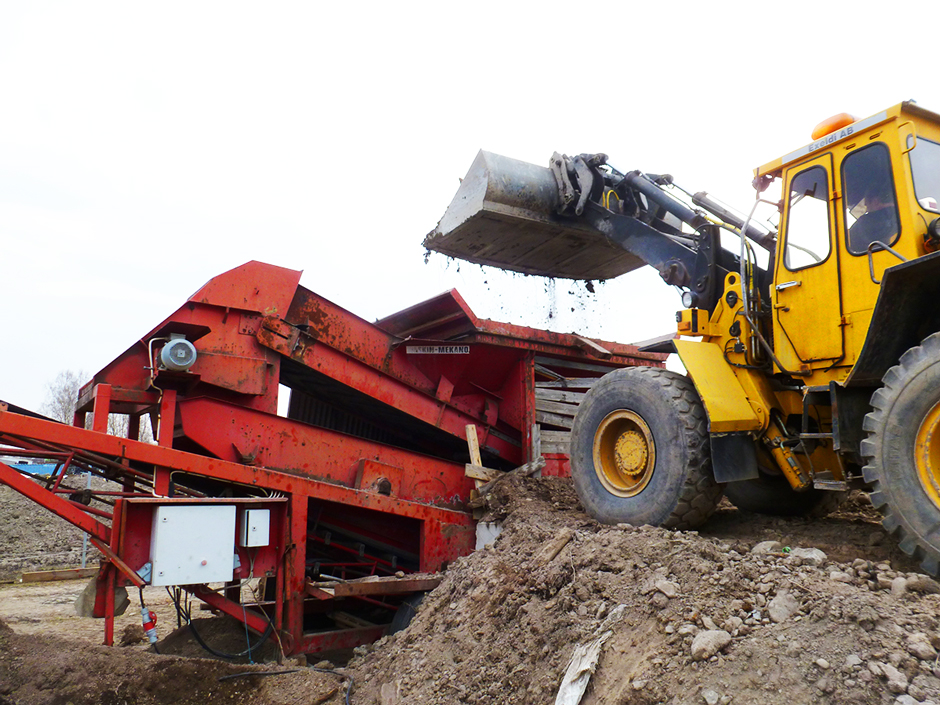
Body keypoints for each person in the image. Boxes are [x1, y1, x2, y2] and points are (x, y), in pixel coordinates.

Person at [849, 178, 898, 252]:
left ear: (875, 201)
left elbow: (850, 244)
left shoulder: (865, 223)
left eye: (867, 203)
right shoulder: (903, 216)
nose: (866, 206)